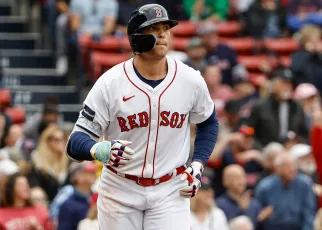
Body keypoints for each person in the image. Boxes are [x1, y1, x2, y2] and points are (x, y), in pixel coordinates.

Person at [66, 4, 219, 230]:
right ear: (137, 37)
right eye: (154, 29)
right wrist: (100, 150)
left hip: (170, 188)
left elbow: (209, 123)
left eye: (165, 28)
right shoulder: (111, 83)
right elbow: (75, 142)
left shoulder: (190, 80)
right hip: (120, 187)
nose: (163, 34)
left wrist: (197, 164)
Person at [247, 68, 308, 147]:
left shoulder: (297, 107)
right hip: (266, 148)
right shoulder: (260, 106)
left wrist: (297, 141)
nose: (287, 87)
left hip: (292, 148)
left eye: (290, 84)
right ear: (273, 85)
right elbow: (250, 132)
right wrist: (259, 149)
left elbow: (304, 133)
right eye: (283, 83)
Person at [255, 153, 316, 230]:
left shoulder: (305, 184)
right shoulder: (264, 187)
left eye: (294, 165)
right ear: (277, 168)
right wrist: (262, 216)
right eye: (287, 166)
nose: (292, 169)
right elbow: (257, 215)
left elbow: (309, 214)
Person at [28, 125, 69, 201]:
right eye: (57, 139)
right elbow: (35, 187)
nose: (61, 142)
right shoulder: (37, 162)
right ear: (47, 141)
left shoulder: (67, 161)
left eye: (62, 139)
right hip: (44, 202)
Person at [57, 161, 97, 230]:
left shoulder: (98, 199)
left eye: (93, 172)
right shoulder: (67, 205)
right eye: (89, 172)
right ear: (77, 177)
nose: (93, 174)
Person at [197, 21, 238, 87]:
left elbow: (237, 68)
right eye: (208, 36)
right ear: (202, 38)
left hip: (228, 89)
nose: (212, 38)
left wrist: (239, 83)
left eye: (214, 34)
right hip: (207, 89)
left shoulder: (226, 50)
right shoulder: (198, 53)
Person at [291, 25, 322, 94]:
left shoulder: (319, 55)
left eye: (318, 39)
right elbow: (297, 70)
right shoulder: (298, 54)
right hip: (305, 91)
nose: (316, 43)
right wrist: (309, 53)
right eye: (312, 40)